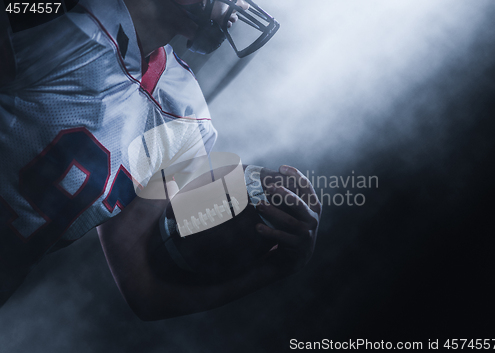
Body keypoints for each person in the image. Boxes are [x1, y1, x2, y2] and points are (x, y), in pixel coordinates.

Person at [0, 0, 321, 319]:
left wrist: (274, 268)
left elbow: (143, 290)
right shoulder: (61, 15)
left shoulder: (187, 116)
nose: (239, 9)